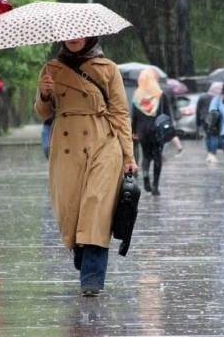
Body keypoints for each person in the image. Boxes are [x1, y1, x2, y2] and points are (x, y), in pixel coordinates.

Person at [34, 37, 137, 297]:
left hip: (102, 142)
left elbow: (120, 113)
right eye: (68, 34)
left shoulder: (108, 68)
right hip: (66, 146)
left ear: (91, 35)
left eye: (79, 33)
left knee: (96, 207)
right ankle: (83, 252)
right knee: (72, 208)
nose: (73, 39)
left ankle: (91, 277)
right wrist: (45, 92)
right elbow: (43, 112)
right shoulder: (51, 68)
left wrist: (128, 155)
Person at [130, 68, 173, 196]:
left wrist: (134, 131)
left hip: (143, 131)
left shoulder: (137, 95)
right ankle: (155, 186)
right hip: (157, 130)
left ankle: (145, 177)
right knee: (157, 156)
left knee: (146, 156)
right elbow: (166, 114)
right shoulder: (160, 94)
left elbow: (134, 115)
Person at [197, 81, 223, 163]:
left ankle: (209, 153)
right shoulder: (218, 98)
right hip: (214, 118)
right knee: (214, 136)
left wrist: (198, 122)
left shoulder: (202, 97)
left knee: (208, 136)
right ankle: (212, 154)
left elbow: (198, 110)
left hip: (204, 118)